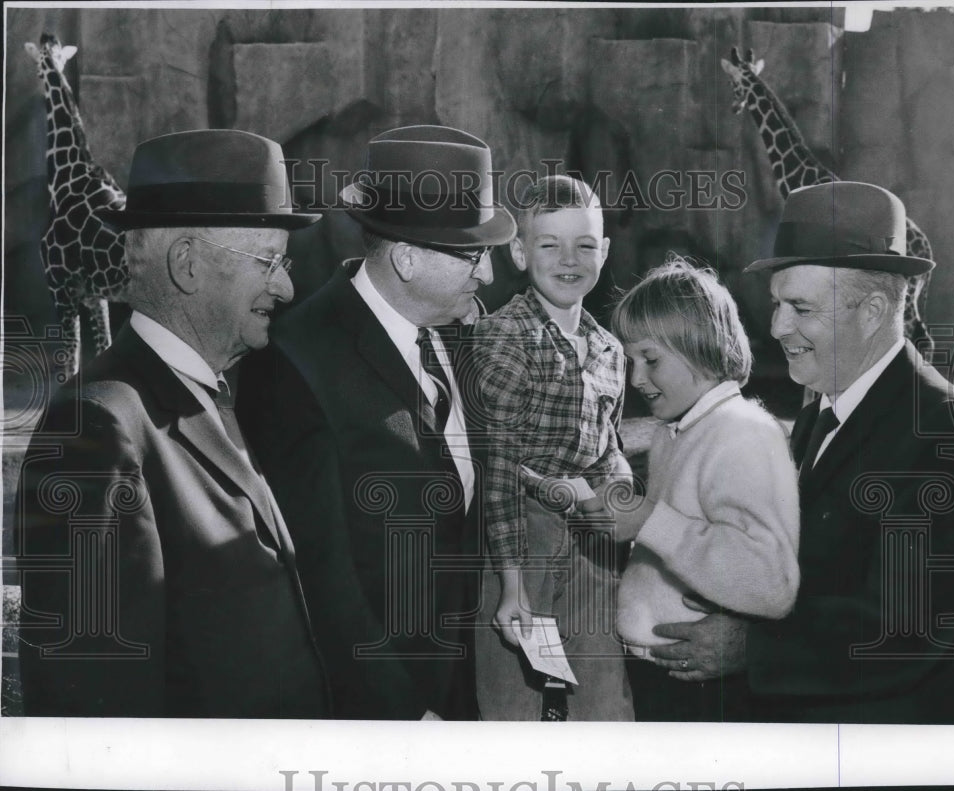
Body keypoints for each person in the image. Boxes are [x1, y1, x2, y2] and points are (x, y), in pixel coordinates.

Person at [15, 129, 330, 717]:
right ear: (187, 264)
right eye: (267, 260)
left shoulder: (209, 392)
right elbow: (93, 710)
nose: (286, 287)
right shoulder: (95, 428)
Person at [648, 181, 954, 723]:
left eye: (800, 308)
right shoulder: (821, 409)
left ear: (873, 310)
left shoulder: (951, 430)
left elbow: (906, 629)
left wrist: (750, 649)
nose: (778, 327)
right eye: (777, 304)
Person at [238, 125, 516, 720]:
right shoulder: (297, 361)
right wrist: (406, 720)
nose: (488, 276)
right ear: (407, 259)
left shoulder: (461, 335)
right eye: (474, 255)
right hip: (374, 720)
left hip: (458, 698)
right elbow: (317, 578)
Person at [470, 174, 635, 721]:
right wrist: (512, 586)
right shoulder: (504, 336)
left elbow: (609, 447)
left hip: (592, 549)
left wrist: (622, 491)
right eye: (550, 244)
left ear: (604, 251)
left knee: (605, 704)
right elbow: (496, 467)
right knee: (513, 710)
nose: (570, 260)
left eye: (585, 245)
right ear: (519, 252)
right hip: (520, 541)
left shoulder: (610, 349)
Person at [609, 257, 799, 721]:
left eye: (650, 359)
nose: (635, 379)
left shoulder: (742, 432)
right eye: (629, 360)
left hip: (706, 694)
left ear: (699, 348)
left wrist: (647, 520)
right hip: (660, 679)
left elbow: (770, 583)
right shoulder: (674, 431)